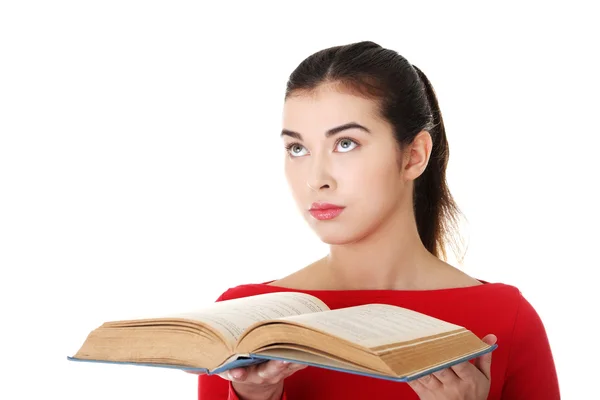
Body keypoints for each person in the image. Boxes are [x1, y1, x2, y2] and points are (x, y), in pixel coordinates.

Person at [193, 41, 560, 399]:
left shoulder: (504, 318)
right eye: (298, 148)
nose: (315, 178)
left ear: (414, 155)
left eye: (346, 143)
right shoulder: (243, 325)